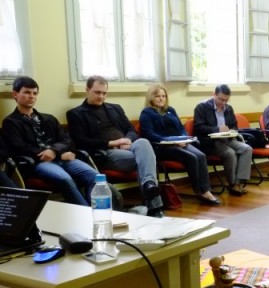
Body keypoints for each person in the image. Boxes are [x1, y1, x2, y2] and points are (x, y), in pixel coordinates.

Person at [66, 75, 164, 217]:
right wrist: (112, 143)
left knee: (143, 143)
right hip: (105, 152)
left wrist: (127, 140)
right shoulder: (76, 114)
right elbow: (81, 141)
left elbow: (131, 130)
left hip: (127, 147)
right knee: (146, 160)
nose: (101, 96)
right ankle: (155, 207)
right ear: (87, 90)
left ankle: (149, 185)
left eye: (104, 93)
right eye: (97, 92)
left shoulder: (115, 108)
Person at [3, 76, 100, 206]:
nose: (31, 96)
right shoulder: (11, 122)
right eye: (26, 92)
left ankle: (98, 211)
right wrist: (56, 154)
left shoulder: (48, 118)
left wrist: (54, 151)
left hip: (63, 159)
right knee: (65, 179)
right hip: (39, 163)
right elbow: (19, 148)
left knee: (95, 177)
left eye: (35, 93)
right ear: (15, 94)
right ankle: (86, 213)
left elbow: (67, 141)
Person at [140, 84, 220, 205]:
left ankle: (206, 190)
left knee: (201, 156)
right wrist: (169, 140)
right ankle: (200, 192)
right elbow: (149, 134)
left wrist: (184, 138)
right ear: (151, 97)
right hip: (163, 147)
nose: (161, 99)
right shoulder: (146, 113)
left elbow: (181, 128)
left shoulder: (170, 110)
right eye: (157, 96)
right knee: (191, 158)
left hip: (181, 142)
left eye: (163, 96)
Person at [192, 84, 253, 196]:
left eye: (226, 100)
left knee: (247, 149)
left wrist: (233, 131)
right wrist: (217, 129)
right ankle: (232, 184)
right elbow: (199, 128)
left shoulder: (229, 108)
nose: (223, 103)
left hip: (227, 139)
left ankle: (238, 182)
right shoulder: (201, 107)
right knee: (230, 153)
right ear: (214, 94)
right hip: (210, 141)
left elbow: (234, 125)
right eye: (221, 99)